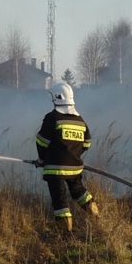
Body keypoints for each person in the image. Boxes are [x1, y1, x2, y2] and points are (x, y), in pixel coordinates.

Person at [34, 81, 99, 232]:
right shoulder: (80, 120)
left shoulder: (52, 117)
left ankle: (65, 233)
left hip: (55, 168)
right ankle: (95, 214)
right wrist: (73, 155)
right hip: (75, 167)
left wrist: (42, 160)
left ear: (57, 98)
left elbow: (41, 141)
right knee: (78, 191)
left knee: (60, 199)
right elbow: (87, 143)